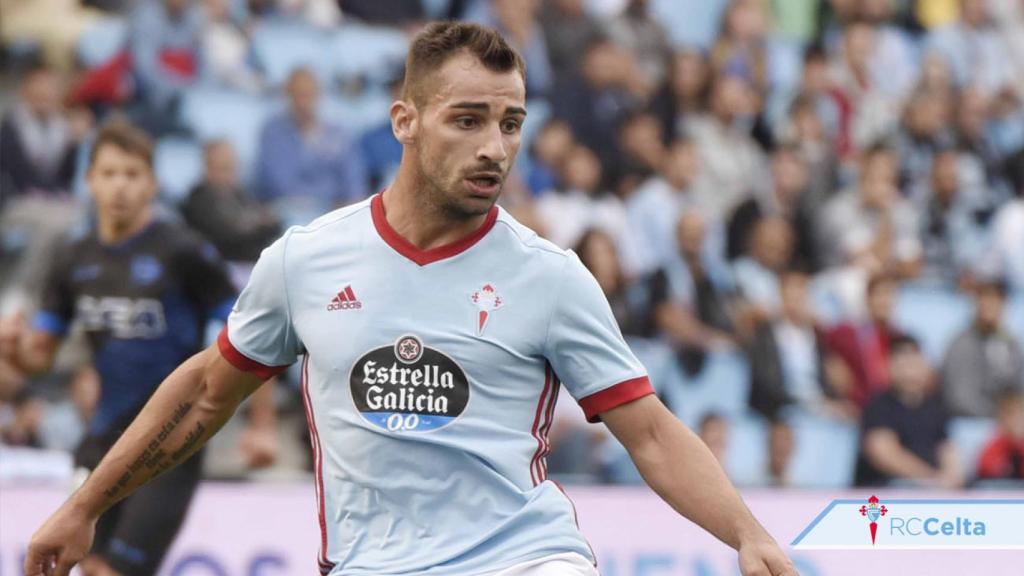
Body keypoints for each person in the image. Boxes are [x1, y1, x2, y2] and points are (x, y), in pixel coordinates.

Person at [23, 23, 797, 576]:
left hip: (525, 559)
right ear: (405, 121)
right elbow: (202, 397)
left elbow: (653, 435)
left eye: (511, 122)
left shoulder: (551, 276)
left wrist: (747, 533)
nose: (495, 145)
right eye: (468, 119)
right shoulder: (305, 261)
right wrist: (84, 506)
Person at [3, 121, 277, 576]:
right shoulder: (73, 258)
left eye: (132, 174)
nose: (120, 186)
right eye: (109, 173)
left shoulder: (182, 251)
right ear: (89, 180)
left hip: (169, 442)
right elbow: (41, 358)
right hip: (102, 439)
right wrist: (14, 350)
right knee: (85, 567)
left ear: (152, 183)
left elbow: (253, 336)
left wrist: (262, 424)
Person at [254, 68, 369, 223]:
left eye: (309, 95)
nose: (304, 103)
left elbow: (353, 180)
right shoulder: (273, 133)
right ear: (287, 96)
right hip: (291, 211)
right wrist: (329, 198)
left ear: (318, 95)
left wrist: (347, 203)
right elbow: (282, 185)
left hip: (336, 210)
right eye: (298, 95)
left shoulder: (337, 133)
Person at [854, 335, 963, 488]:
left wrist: (952, 477)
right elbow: (882, 452)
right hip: (889, 488)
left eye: (914, 361)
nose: (909, 369)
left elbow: (946, 448)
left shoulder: (936, 406)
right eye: (903, 362)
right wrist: (930, 478)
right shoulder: (879, 405)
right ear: (890, 366)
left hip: (932, 490)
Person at [181, 139, 281, 264]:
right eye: (224, 168)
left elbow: (271, 222)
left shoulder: (239, 194)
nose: (230, 175)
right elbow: (229, 235)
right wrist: (258, 223)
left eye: (233, 168)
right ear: (207, 168)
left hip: (253, 261)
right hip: (223, 266)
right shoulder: (199, 200)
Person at [941, 279, 1024, 418]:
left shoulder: (1010, 342)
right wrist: (1000, 415)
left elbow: (1019, 382)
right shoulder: (961, 344)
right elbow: (960, 398)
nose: (990, 306)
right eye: (985, 299)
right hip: (973, 422)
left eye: (996, 300)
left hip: (1009, 421)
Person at [824, 273, 907, 409]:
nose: (885, 301)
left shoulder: (899, 338)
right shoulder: (846, 333)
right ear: (868, 299)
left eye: (890, 295)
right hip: (856, 406)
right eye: (879, 294)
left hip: (891, 408)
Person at [977, 392, 1024, 481]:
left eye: (1020, 417)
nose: (1016, 422)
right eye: (1011, 416)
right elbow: (986, 469)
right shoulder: (995, 444)